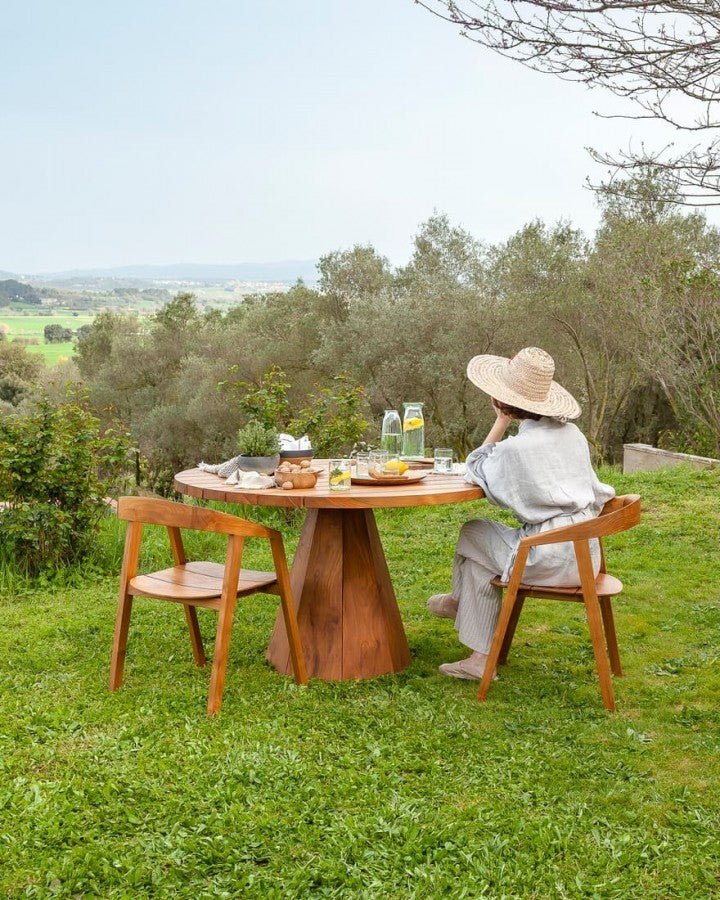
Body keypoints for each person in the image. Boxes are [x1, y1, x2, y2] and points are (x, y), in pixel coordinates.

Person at [428, 346, 615, 681]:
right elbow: (599, 493)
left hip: (547, 555)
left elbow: (476, 468)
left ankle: (463, 611)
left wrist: (499, 422)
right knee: (478, 554)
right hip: (586, 553)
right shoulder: (572, 434)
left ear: (502, 401)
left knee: (472, 533)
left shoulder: (518, 450)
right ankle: (475, 650)